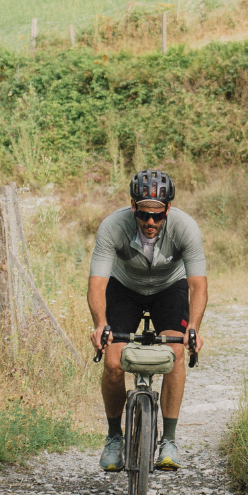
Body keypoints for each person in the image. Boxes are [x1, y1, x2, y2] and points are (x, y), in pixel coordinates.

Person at [87, 169, 207, 473]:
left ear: (168, 209)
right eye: (143, 215)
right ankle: (115, 436)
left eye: (157, 216)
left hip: (170, 287)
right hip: (125, 287)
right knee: (113, 361)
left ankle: (168, 439)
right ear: (133, 207)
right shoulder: (113, 227)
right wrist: (100, 323)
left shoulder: (185, 228)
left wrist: (193, 327)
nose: (150, 223)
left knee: (175, 353)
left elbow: (198, 285)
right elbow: (98, 283)